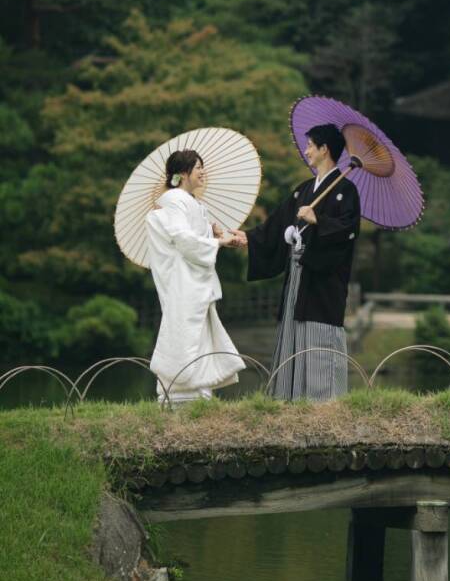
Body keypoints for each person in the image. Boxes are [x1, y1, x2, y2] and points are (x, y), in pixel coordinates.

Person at [232, 123, 360, 401]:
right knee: (292, 330)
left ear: (324, 149)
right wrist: (246, 238)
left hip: (322, 281)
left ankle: (323, 402)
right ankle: (289, 398)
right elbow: (276, 225)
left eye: (310, 145)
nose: (306, 151)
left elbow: (347, 231)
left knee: (319, 333)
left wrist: (319, 220)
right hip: (298, 276)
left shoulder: (346, 190)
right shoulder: (303, 190)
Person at [146, 148, 246, 404]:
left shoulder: (190, 202)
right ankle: (182, 395)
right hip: (185, 282)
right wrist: (218, 243)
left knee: (197, 335)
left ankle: (197, 392)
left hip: (195, 281)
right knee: (186, 334)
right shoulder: (177, 200)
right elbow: (182, 239)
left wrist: (213, 236)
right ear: (182, 173)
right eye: (198, 167)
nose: (203, 172)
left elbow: (192, 238)